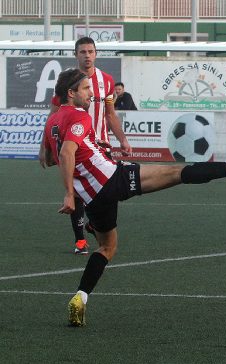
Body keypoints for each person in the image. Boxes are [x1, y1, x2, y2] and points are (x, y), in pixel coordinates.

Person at [41, 69, 226, 327]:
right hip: (111, 179)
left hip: (94, 197)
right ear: (71, 93)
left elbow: (48, 159)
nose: (91, 93)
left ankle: (80, 298)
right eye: (85, 89)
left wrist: (92, 148)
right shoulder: (79, 116)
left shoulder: (53, 121)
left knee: (107, 248)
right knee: (175, 172)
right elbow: (65, 154)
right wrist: (69, 194)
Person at [39, 36, 132, 256]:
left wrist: (123, 139)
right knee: (78, 192)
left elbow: (110, 114)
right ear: (76, 54)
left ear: (96, 54)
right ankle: (80, 239)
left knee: (110, 190)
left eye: (91, 51)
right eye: (83, 52)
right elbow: (54, 114)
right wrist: (44, 146)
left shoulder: (107, 81)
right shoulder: (68, 82)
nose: (87, 55)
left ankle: (94, 224)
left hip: (100, 144)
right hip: (75, 146)